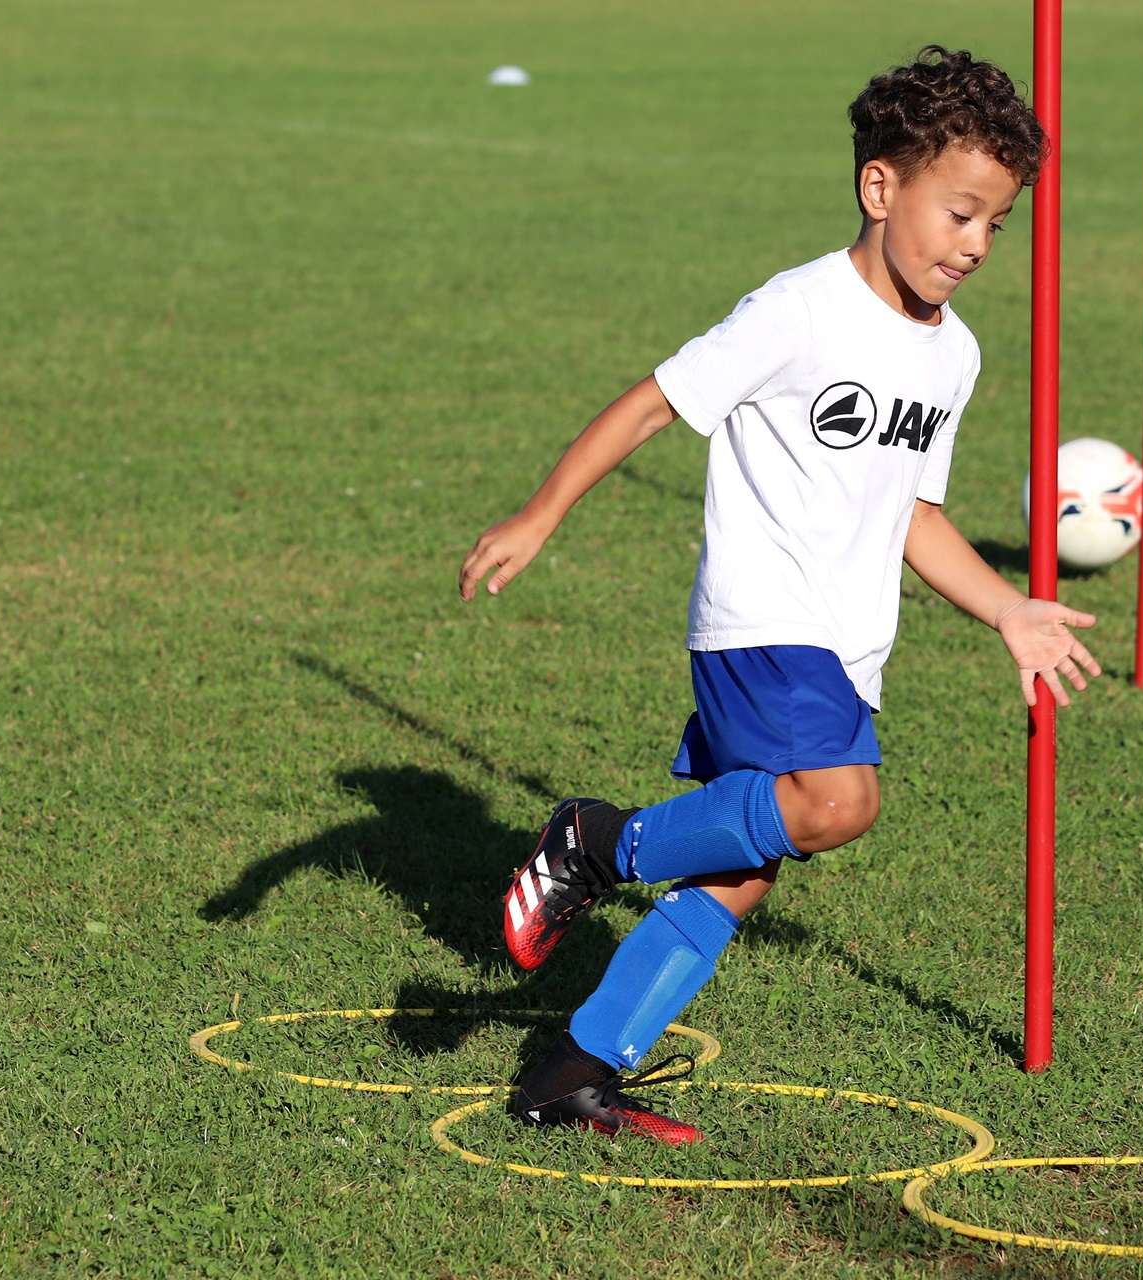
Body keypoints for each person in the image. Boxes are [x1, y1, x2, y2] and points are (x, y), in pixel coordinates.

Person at [457, 46, 1099, 1144]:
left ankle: (572, 1068)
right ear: (881, 188)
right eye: (959, 214)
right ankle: (598, 842)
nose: (978, 244)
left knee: (744, 868)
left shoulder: (955, 358)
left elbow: (914, 514)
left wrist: (1006, 607)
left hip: (846, 643)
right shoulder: (797, 311)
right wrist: (541, 510)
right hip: (764, 621)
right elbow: (657, 402)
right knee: (840, 800)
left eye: (998, 223)